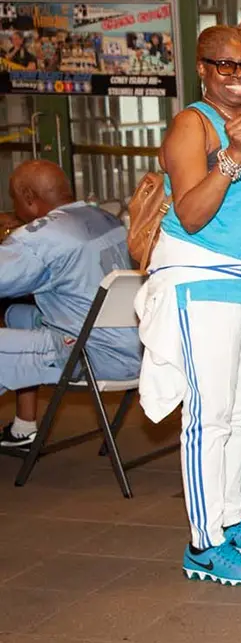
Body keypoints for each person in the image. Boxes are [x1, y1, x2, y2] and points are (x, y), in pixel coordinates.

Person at [137, 25, 241, 586]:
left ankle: (228, 517)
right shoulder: (193, 123)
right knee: (207, 419)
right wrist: (231, 153)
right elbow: (193, 213)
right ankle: (203, 544)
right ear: (202, 68)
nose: (236, 74)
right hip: (202, 285)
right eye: (223, 65)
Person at [0, 161, 138, 450]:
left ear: (28, 197)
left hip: (91, 355)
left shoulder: (37, 241)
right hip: (138, 348)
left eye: (15, 200)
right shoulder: (104, 217)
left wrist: (15, 238)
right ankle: (24, 428)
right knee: (16, 315)